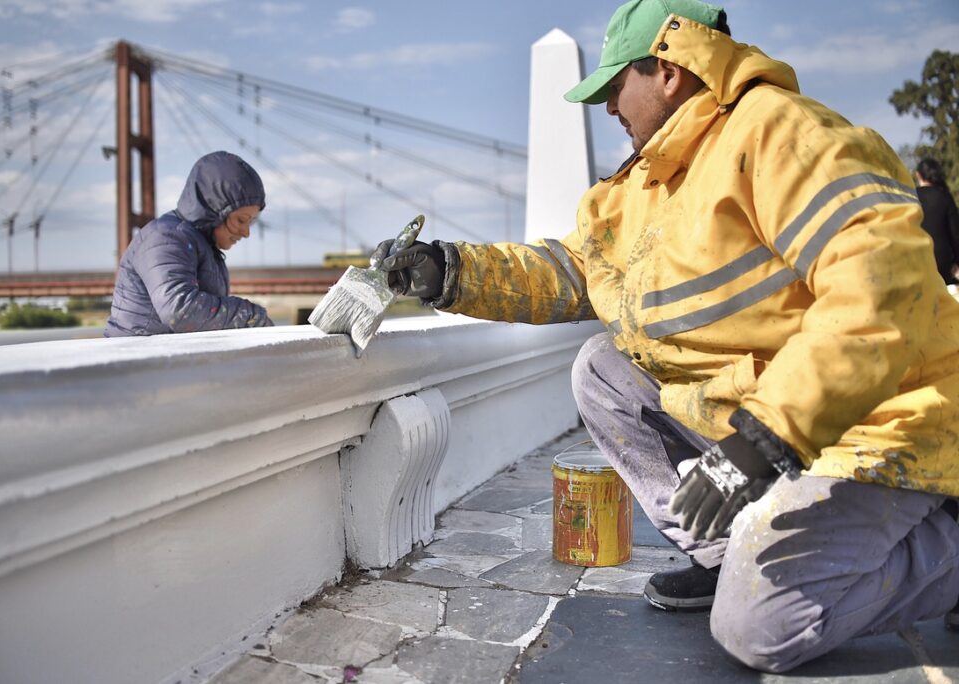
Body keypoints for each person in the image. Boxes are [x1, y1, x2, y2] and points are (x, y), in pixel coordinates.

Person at [371, 0, 959, 673]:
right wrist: (450, 270)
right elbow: (569, 272)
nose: (609, 107)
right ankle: (725, 552)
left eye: (617, 86)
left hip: (877, 428)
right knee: (600, 368)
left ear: (670, 70)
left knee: (758, 628)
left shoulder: (780, 135)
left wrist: (766, 438)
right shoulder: (645, 184)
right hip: (777, 420)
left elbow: (879, 284)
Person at [105, 151, 273, 337]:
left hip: (162, 359)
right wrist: (251, 315)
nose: (246, 232)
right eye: (241, 220)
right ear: (215, 209)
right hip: (135, 360)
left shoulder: (201, 245)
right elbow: (179, 311)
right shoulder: (166, 238)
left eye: (251, 222)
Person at [915, 157, 959, 286]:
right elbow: (956, 235)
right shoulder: (945, 197)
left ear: (918, 175)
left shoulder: (910, 197)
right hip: (943, 265)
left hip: (918, 262)